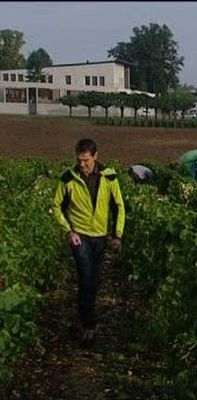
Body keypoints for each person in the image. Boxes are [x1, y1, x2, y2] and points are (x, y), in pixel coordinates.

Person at [52, 138, 126, 347]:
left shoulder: (109, 177)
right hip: (79, 236)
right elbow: (56, 206)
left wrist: (117, 235)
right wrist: (68, 231)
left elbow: (119, 207)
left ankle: (81, 317)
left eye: (85, 160)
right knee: (85, 276)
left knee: (93, 281)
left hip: (100, 237)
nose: (81, 164)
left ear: (95, 156)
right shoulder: (68, 178)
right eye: (78, 160)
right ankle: (89, 326)